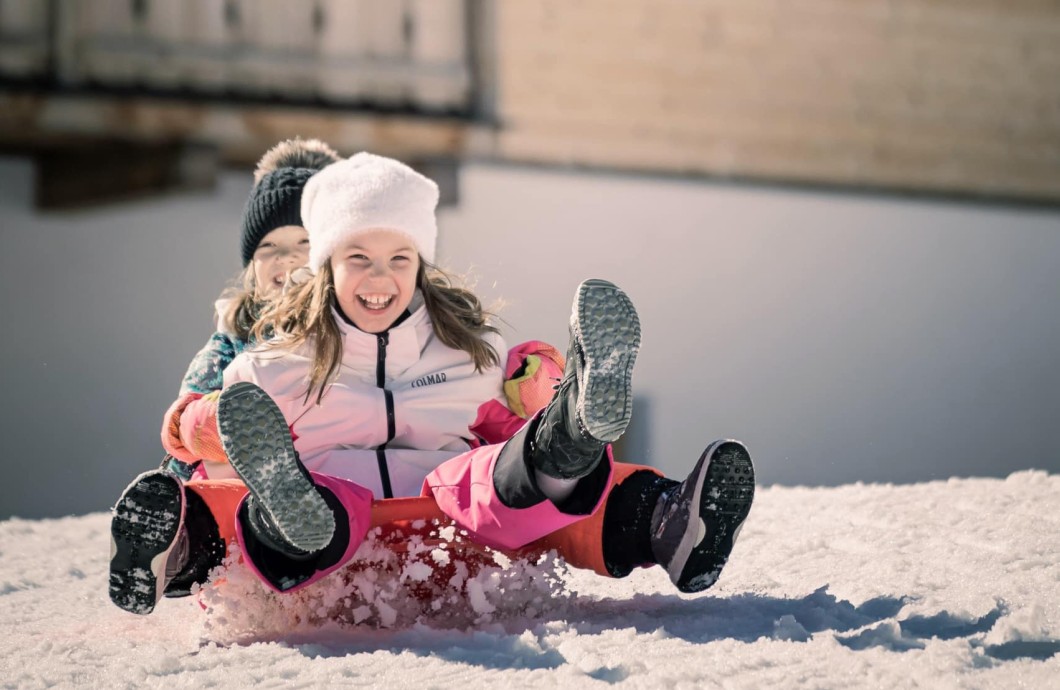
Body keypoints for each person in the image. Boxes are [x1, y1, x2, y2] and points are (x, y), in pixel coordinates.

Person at [108, 153, 755, 616]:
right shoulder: (269, 366)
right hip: (329, 551)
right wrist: (207, 423)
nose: (379, 277)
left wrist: (543, 403)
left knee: (495, 477)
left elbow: (505, 424)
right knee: (271, 502)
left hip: (457, 537)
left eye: (399, 258)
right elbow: (202, 438)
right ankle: (185, 540)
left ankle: (597, 454)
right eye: (357, 258)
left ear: (421, 267)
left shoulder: (468, 356)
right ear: (324, 268)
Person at [160, 137, 342, 480]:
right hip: (251, 474)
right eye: (268, 245)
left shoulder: (350, 322)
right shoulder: (236, 334)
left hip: (331, 465)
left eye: (304, 243)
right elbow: (193, 406)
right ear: (251, 264)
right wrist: (178, 479)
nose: (284, 257)